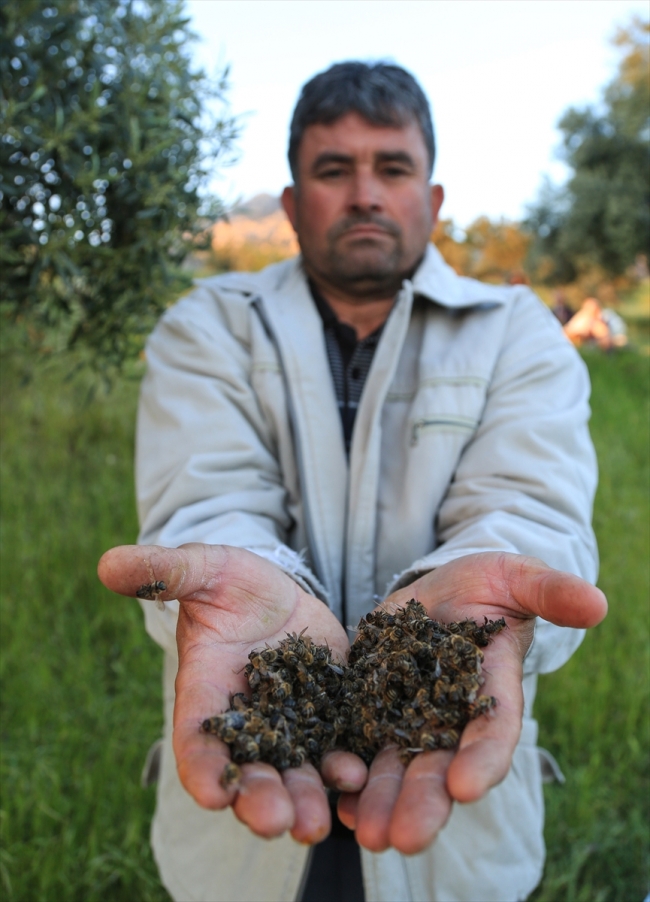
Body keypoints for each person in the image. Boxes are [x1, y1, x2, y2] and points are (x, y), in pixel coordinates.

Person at [98, 62, 607, 902]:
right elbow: (206, 499)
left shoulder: (517, 332)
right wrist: (237, 579)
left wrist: (483, 597)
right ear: (293, 202)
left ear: (432, 200)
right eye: (333, 169)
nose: (365, 194)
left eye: (393, 167)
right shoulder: (209, 325)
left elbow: (530, 505)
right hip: (246, 814)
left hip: (450, 820)